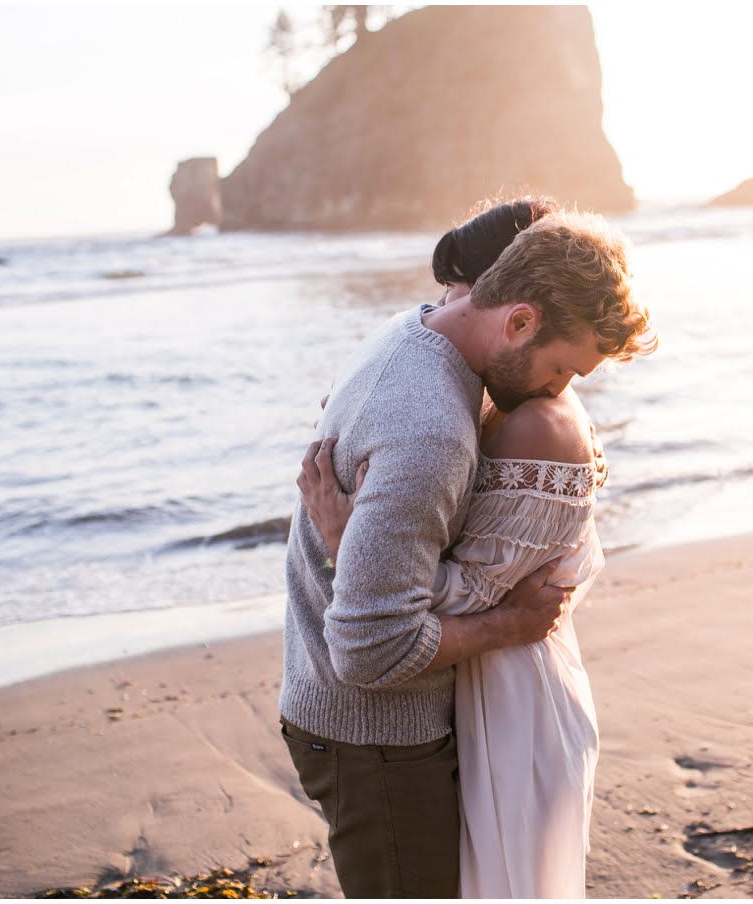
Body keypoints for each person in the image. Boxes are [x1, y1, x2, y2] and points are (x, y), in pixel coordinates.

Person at [279, 208, 655, 898]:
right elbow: (370, 649)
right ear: (517, 321)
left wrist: (346, 544)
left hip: (347, 713)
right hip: (376, 739)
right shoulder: (432, 433)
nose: (558, 395)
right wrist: (511, 625)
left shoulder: (409, 330)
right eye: (561, 369)